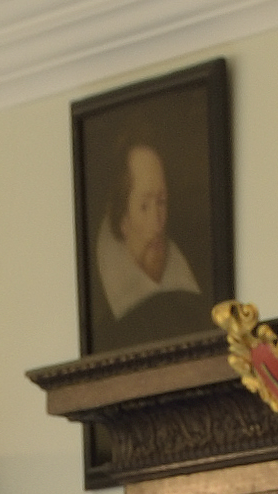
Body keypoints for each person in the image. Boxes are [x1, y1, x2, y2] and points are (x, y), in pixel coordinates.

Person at [88, 132, 211, 342]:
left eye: (161, 202)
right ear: (122, 220)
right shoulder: (109, 331)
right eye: (144, 207)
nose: (157, 221)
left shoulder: (196, 305)